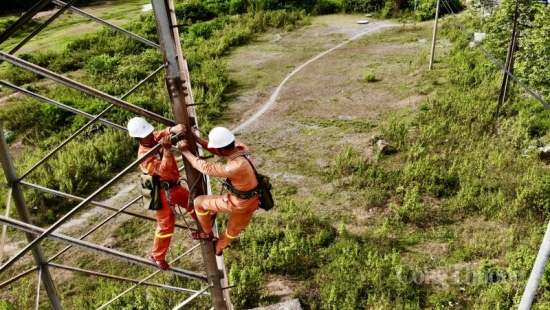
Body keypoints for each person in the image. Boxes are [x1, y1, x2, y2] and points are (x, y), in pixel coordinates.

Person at [176, 127, 259, 256]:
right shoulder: (242, 148)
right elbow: (221, 151)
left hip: (238, 203)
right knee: (233, 229)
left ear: (222, 148)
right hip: (253, 201)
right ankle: (219, 248)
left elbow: (206, 168)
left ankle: (207, 233)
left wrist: (185, 152)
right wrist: (198, 140)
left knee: (198, 202)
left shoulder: (235, 167)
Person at [127, 117, 195, 270]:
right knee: (165, 226)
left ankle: (204, 227)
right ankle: (157, 256)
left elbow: (160, 134)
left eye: (150, 132)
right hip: (162, 191)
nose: (151, 135)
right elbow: (163, 169)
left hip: (174, 186)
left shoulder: (151, 139)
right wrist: (167, 150)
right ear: (138, 138)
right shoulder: (144, 157)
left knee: (193, 204)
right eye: (146, 134)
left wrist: (172, 130)